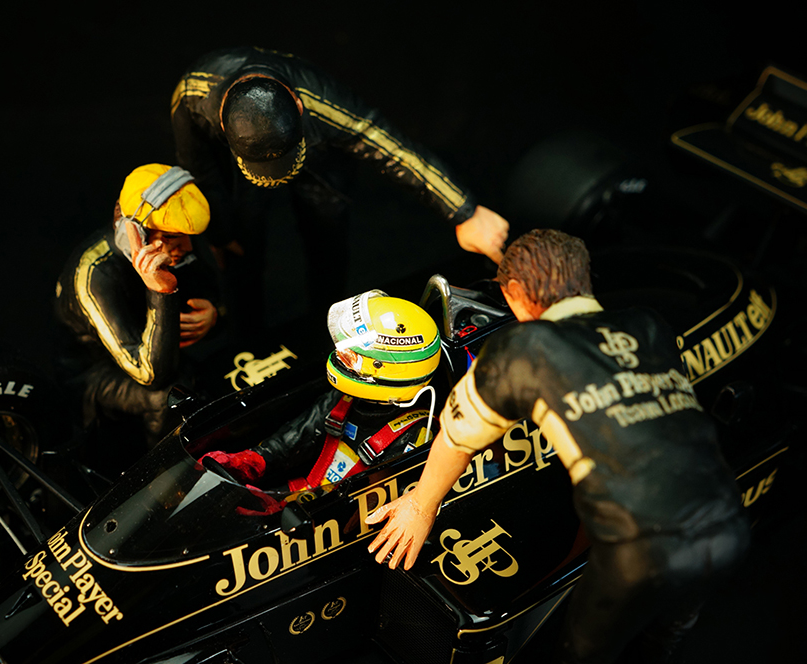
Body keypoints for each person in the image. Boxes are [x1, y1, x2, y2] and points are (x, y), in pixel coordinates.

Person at [365, 229, 750, 663]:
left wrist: (420, 506)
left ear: (514, 292)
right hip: (730, 523)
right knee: (664, 637)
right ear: (584, 278)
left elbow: (457, 437)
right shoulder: (649, 324)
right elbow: (643, 433)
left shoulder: (523, 349)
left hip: (641, 549)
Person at [171, 46, 510, 323]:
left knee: (327, 240)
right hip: (241, 168)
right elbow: (200, 168)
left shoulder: (322, 99)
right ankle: (244, 330)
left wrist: (462, 210)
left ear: (299, 105)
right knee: (237, 244)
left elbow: (386, 144)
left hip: (320, 158)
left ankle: (330, 320)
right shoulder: (191, 96)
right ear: (222, 124)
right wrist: (219, 232)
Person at [200, 290, 440, 492]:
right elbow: (301, 434)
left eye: (353, 355)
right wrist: (255, 460)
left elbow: (372, 509)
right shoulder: (347, 399)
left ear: (385, 368)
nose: (342, 353)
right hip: (309, 496)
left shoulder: (417, 438)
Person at [55, 164, 220, 448]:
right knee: (169, 395)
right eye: (171, 236)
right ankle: (164, 471)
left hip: (149, 350)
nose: (187, 247)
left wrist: (214, 315)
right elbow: (150, 375)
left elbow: (214, 294)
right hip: (94, 373)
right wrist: (161, 292)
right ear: (136, 234)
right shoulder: (94, 277)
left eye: (186, 235)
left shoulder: (176, 244)